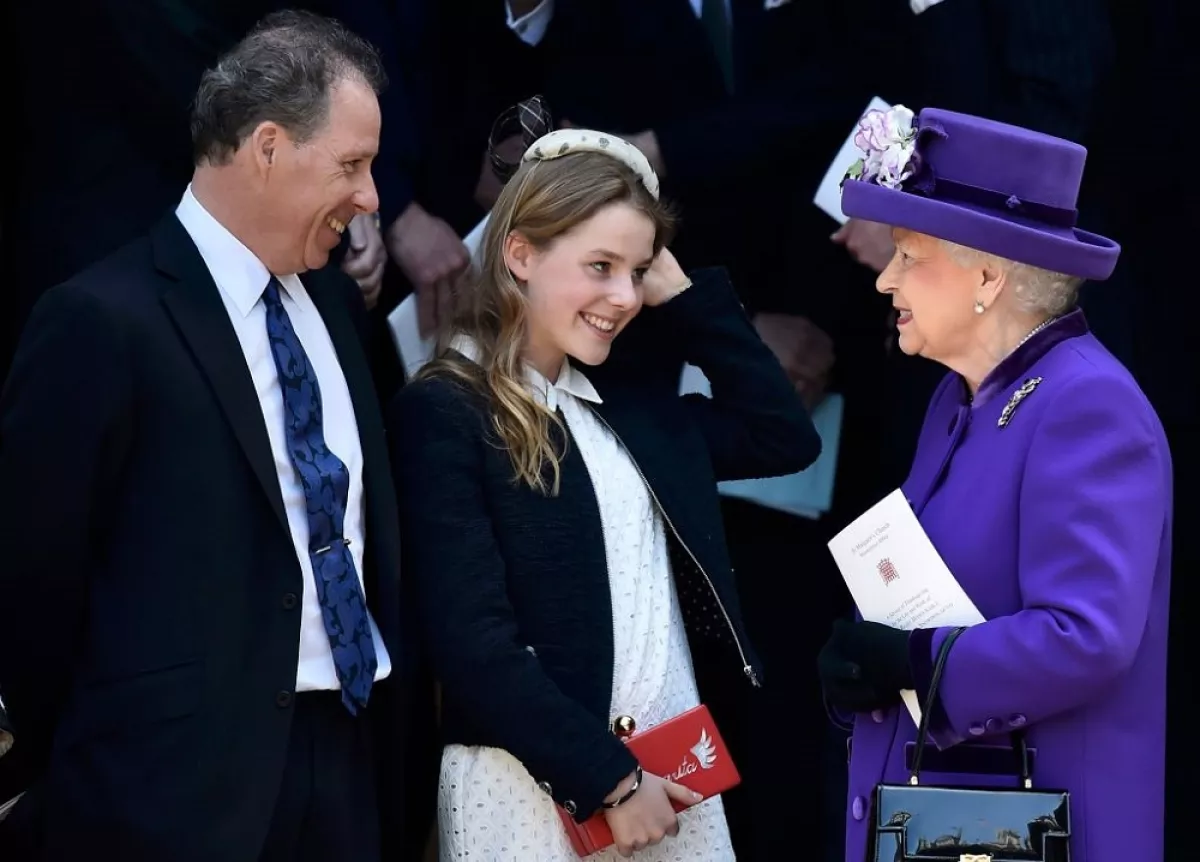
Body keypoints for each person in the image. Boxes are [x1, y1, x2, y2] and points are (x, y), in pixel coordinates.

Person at [0, 12, 407, 861]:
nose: (371, 198)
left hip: (347, 774)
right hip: (162, 799)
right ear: (267, 147)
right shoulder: (99, 320)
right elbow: (35, 587)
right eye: (353, 166)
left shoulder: (336, 307)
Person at [387, 128, 819, 860]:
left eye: (639, 271)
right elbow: (474, 647)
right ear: (519, 253)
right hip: (531, 789)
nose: (623, 296)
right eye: (600, 265)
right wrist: (611, 782)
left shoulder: (634, 411)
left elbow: (782, 434)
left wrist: (684, 297)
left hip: (673, 784)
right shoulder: (451, 407)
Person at [817, 106, 1172, 862]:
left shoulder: (1088, 405)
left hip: (1038, 832)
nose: (884, 279)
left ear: (987, 274)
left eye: (908, 256)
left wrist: (911, 662)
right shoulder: (959, 396)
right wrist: (867, 662)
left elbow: (1087, 639)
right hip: (953, 825)